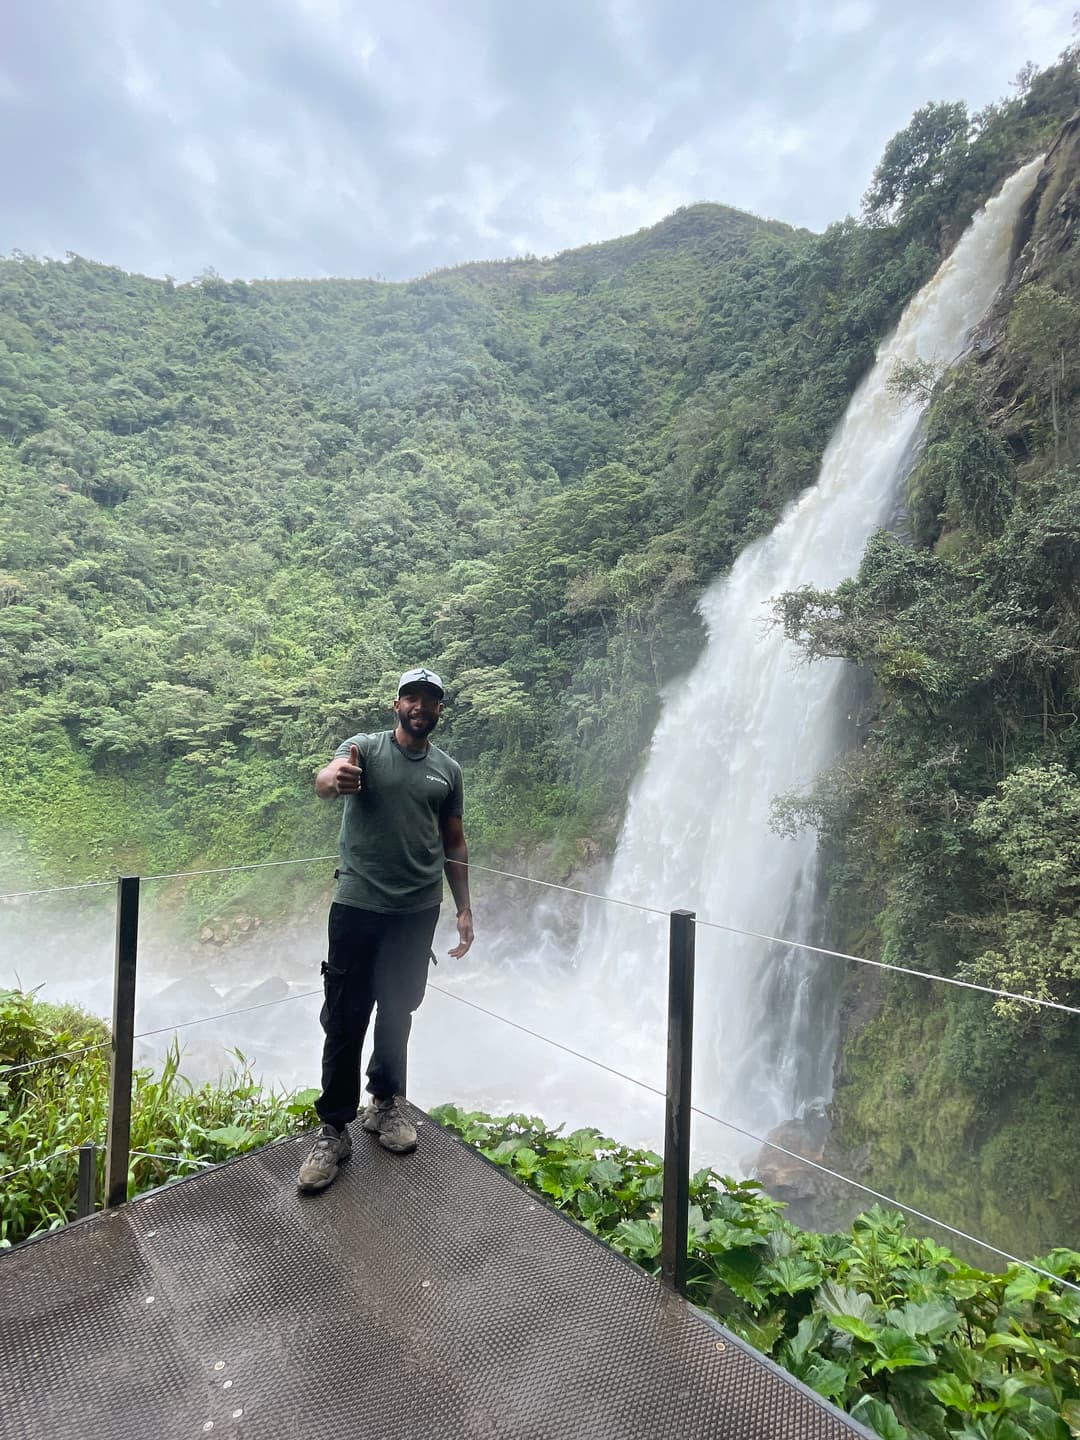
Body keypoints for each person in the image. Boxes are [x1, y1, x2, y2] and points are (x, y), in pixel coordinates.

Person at [297, 667, 473, 1193]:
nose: (420, 706)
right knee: (345, 1018)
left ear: (440, 710)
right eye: (411, 697)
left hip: (418, 910)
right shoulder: (365, 749)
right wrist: (336, 780)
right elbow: (326, 780)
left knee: (398, 1013)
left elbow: (455, 843)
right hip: (358, 905)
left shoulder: (448, 771)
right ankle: (332, 1129)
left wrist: (464, 909)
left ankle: (386, 1104)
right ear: (397, 703)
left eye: (430, 700)